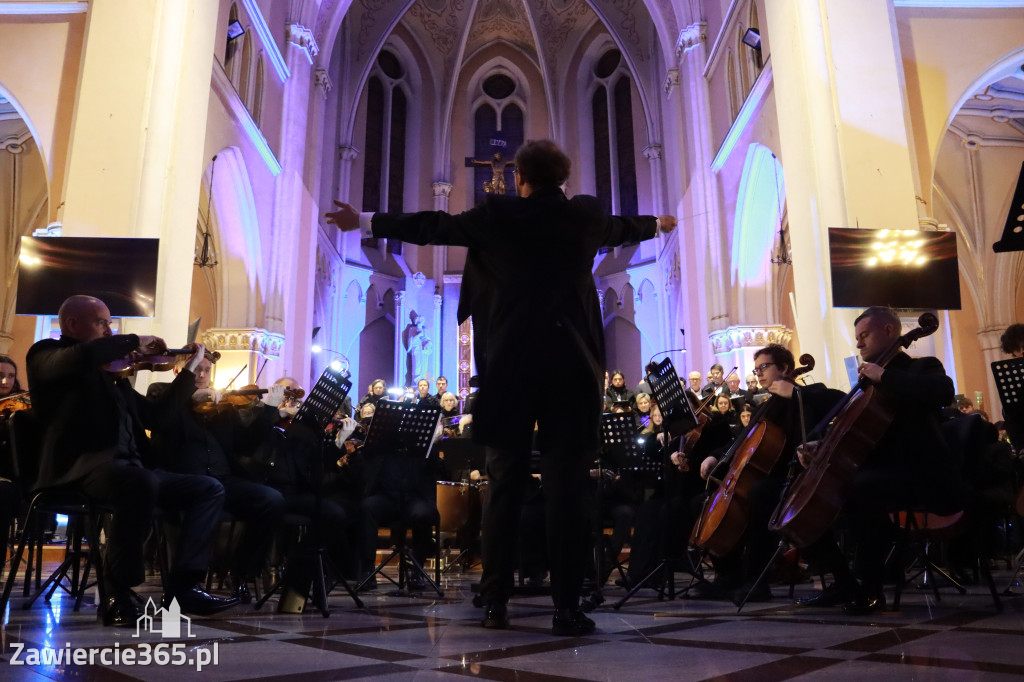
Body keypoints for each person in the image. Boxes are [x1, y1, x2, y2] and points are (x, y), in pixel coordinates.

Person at [326, 138, 677, 635]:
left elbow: (433, 226)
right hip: (571, 370)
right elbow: (623, 228)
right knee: (567, 492)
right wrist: (657, 225)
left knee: (503, 488)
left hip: (509, 368)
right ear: (563, 180)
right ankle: (567, 608)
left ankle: (494, 602)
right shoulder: (584, 217)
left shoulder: (498, 216)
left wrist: (364, 220)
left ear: (520, 179)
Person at [26, 295, 238, 625]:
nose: (109, 331)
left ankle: (184, 585)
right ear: (72, 324)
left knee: (207, 488)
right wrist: (135, 340)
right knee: (139, 482)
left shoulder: (115, 378)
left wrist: (190, 370)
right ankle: (116, 593)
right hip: (80, 468)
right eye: (102, 323)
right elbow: (85, 355)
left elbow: (158, 418)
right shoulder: (45, 355)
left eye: (111, 324)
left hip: (131, 471)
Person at [796, 307, 963, 613]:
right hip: (881, 473)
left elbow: (942, 392)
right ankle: (845, 583)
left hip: (921, 474)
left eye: (864, 336)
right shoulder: (869, 384)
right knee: (804, 494)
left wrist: (885, 375)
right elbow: (856, 433)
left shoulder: (922, 367)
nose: (859, 344)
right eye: (857, 338)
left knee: (857, 490)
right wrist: (821, 445)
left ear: (889, 331)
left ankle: (872, 587)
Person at [146, 354, 288, 602]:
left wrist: (269, 411)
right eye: (196, 370)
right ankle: (189, 584)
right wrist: (187, 397)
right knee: (206, 491)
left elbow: (245, 446)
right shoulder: (163, 394)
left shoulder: (222, 406)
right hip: (185, 480)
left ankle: (242, 573)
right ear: (180, 372)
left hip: (224, 480)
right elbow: (161, 420)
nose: (202, 375)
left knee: (272, 500)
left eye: (206, 370)